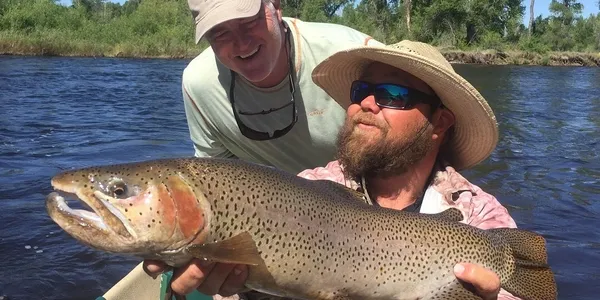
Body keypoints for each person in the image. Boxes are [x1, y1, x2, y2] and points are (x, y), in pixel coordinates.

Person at [145, 40, 525, 300]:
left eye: (392, 95)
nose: (367, 104)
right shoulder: (303, 193)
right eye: (360, 91)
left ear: (439, 123)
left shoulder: (481, 219)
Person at [180, 0, 383, 175]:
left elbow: (408, 142)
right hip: (276, 213)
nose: (241, 45)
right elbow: (216, 176)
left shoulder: (354, 55)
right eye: (220, 33)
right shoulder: (199, 86)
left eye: (249, 22)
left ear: (276, 7)